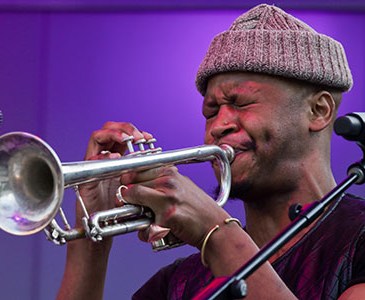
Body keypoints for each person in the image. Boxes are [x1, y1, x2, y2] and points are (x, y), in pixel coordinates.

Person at [56, 4, 365, 300]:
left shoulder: (358, 237)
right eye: (211, 110)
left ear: (318, 111)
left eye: (241, 103)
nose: (219, 126)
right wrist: (89, 238)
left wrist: (216, 233)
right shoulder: (178, 284)